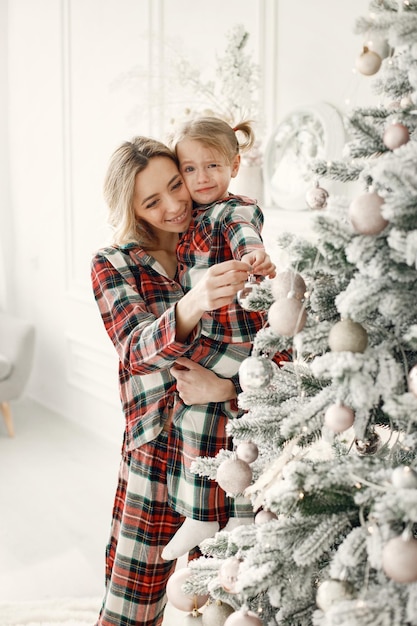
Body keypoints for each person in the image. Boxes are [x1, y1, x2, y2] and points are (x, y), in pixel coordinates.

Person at [91, 136, 254, 626]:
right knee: (131, 604)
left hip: (226, 448)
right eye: (152, 200)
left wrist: (227, 390)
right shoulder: (114, 263)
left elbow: (267, 348)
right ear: (132, 208)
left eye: (175, 184)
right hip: (154, 452)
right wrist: (193, 301)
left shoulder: (221, 238)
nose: (174, 204)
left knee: (225, 601)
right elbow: (137, 351)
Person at [160, 116, 291, 561]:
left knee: (198, 417)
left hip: (235, 340)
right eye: (189, 169)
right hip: (211, 340)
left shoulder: (230, 210)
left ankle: (201, 514)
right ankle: (236, 516)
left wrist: (255, 255)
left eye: (212, 166)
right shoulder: (186, 219)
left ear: (234, 166)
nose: (201, 178)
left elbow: (245, 235)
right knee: (234, 435)